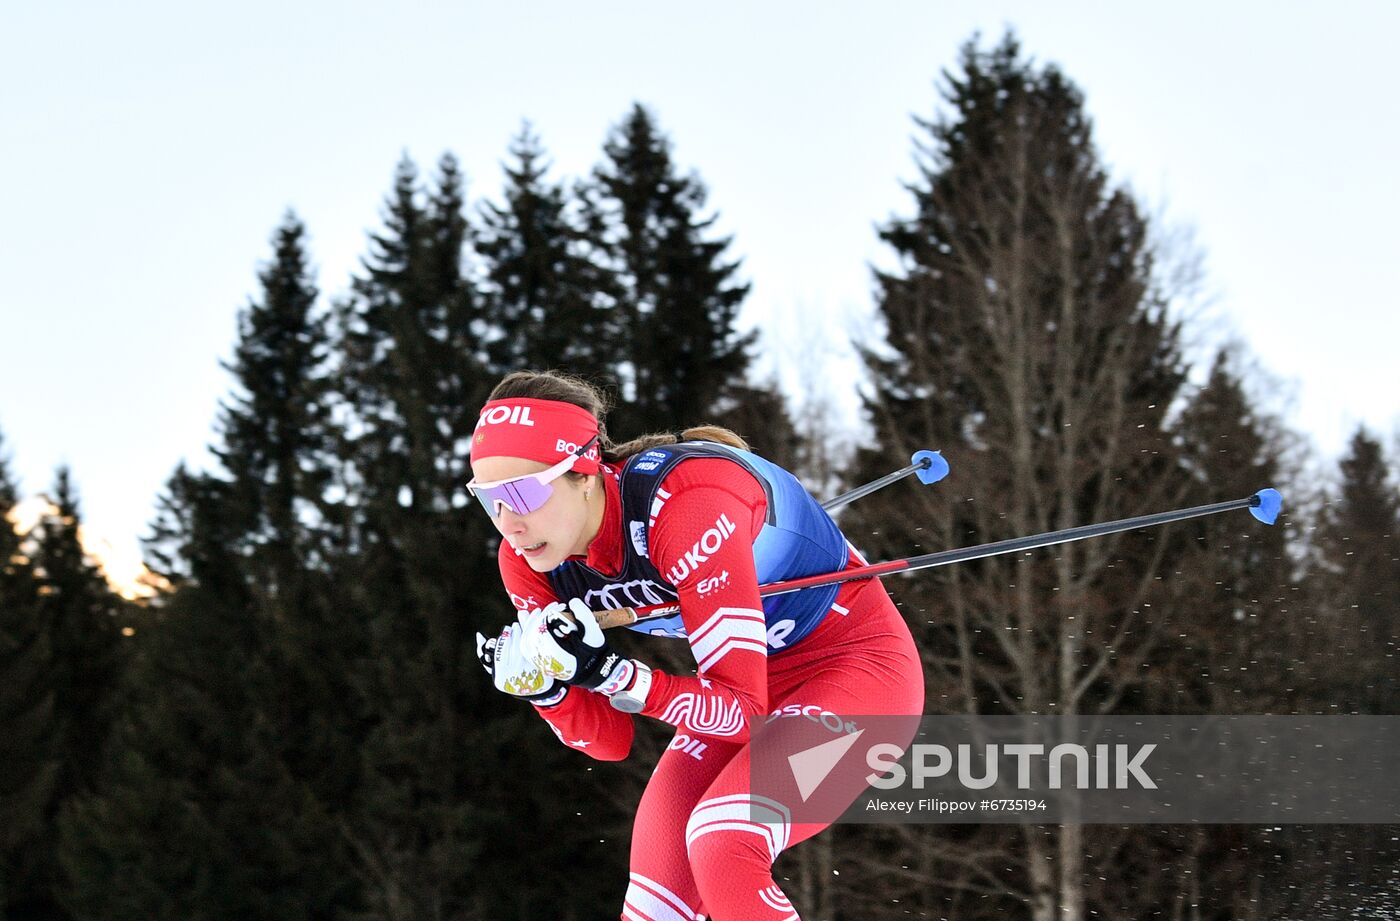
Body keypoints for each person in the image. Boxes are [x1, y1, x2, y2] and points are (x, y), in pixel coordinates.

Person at [471, 370, 924, 921]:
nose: (508, 524)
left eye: (521, 493)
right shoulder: (528, 562)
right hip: (752, 689)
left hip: (857, 672)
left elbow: (742, 708)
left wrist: (615, 675)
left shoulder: (687, 507)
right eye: (488, 499)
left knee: (724, 837)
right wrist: (547, 691)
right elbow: (611, 742)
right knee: (654, 904)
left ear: (584, 472)